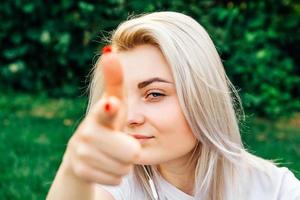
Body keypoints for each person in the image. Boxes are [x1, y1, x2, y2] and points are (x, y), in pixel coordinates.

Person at [46, 11, 300, 200]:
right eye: (121, 97)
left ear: (202, 96)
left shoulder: (275, 189)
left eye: (154, 94)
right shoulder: (117, 182)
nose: (130, 117)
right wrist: (73, 171)